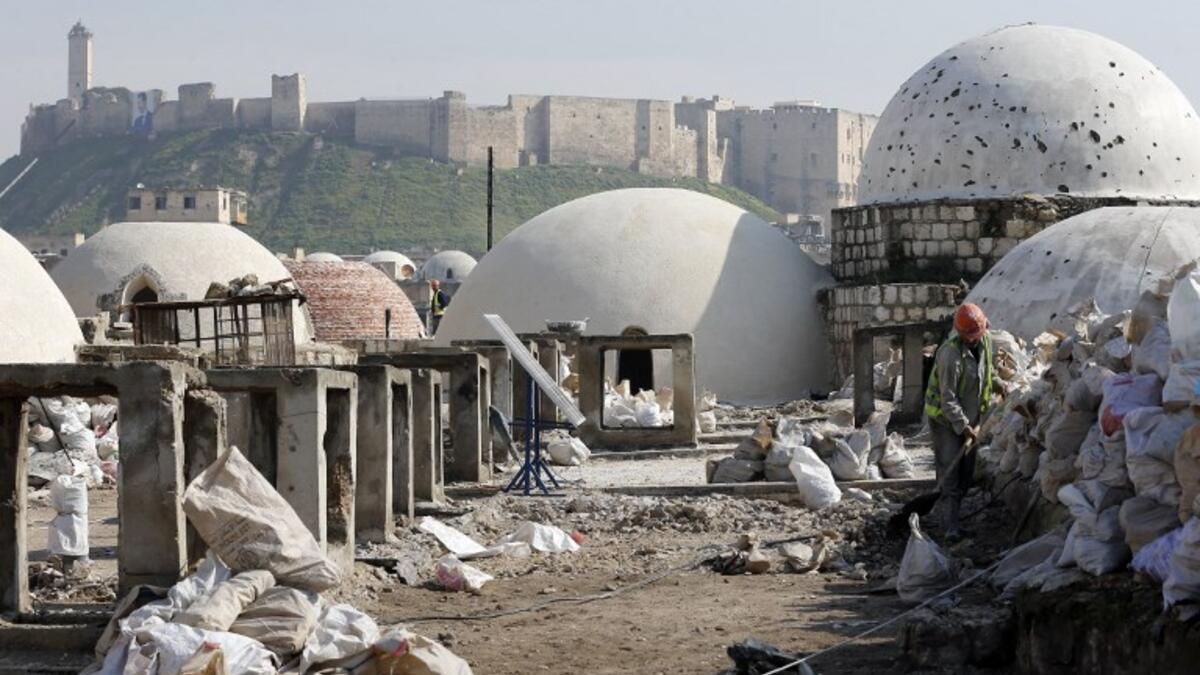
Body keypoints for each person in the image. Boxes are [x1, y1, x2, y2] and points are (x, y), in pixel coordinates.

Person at [923, 302, 997, 540]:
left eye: (978, 334)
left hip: (972, 418)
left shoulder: (985, 342)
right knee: (950, 472)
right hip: (946, 421)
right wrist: (963, 426)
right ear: (961, 333)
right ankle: (949, 526)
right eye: (971, 336)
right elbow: (948, 399)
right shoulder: (949, 355)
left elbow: (986, 372)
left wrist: (1000, 385)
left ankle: (951, 518)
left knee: (966, 472)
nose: (975, 339)